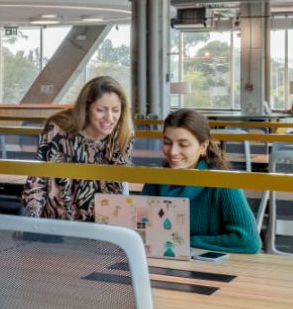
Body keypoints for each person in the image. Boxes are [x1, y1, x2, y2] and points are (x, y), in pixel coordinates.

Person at [142, 110, 261, 254]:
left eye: (183, 144)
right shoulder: (153, 181)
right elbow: (143, 232)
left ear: (203, 147)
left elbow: (248, 241)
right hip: (161, 262)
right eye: (167, 143)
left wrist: (182, 241)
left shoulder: (222, 183)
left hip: (211, 269)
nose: (173, 151)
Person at [21, 76, 133, 220]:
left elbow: (118, 188)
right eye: (101, 110)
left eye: (115, 110)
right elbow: (37, 180)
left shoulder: (121, 134)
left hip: (101, 226)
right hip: (57, 224)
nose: (110, 118)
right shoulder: (57, 128)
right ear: (86, 107)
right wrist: (31, 223)